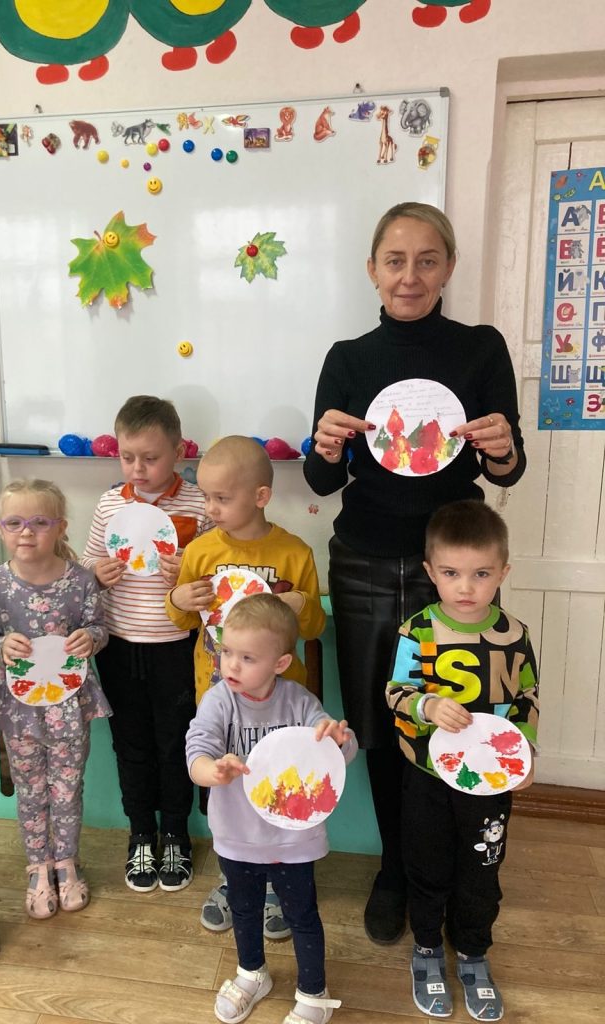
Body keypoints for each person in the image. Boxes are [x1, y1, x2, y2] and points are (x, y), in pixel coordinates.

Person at [303, 201, 526, 944]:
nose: (410, 276)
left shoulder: (481, 349)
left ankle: (446, 867)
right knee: (381, 716)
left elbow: (508, 469)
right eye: (395, 261)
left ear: (448, 268)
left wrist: (501, 447)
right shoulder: (348, 358)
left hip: (451, 565)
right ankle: (396, 869)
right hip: (364, 559)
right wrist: (325, 445)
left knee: (456, 708)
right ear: (372, 269)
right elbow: (322, 480)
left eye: (427, 260)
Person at [168, 434, 326, 939]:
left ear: (260, 496)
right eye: (206, 496)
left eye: (221, 497)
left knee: (277, 786)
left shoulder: (294, 552)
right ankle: (232, 877)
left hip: (281, 708)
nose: (210, 508)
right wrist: (179, 598)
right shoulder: (200, 550)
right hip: (218, 700)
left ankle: (280, 883)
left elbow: (314, 628)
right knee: (226, 792)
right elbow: (181, 620)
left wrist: (302, 607)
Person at [386, 500, 538, 1020]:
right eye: (451, 573)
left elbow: (527, 698)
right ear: (431, 572)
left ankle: (472, 950)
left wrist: (525, 754)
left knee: (481, 869)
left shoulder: (514, 634)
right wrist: (427, 705)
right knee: (426, 863)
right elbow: (396, 692)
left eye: (481, 574)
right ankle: (428, 946)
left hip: (490, 782)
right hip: (427, 776)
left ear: (503, 573)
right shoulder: (418, 631)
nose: (466, 587)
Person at [186, 594, 357, 1024]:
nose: (231, 665)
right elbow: (197, 751)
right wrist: (213, 771)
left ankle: (314, 991)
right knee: (243, 910)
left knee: (301, 914)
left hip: (292, 839)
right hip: (237, 836)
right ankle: (251, 973)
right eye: (226, 651)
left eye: (247, 658)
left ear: (280, 663)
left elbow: (335, 753)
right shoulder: (219, 700)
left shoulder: (299, 701)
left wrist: (338, 738)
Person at [80, 395, 212, 893]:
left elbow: (215, 573)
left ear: (178, 452)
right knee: (130, 743)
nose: (138, 468)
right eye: (127, 457)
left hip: (177, 645)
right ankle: (140, 833)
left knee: (176, 741)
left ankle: (175, 832)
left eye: (150, 458)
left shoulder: (199, 503)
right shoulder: (110, 503)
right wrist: (98, 572)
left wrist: (189, 571)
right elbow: (87, 565)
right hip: (118, 645)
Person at [0, 479, 110, 918]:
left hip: (69, 705)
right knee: (31, 789)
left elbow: (99, 628)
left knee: (67, 788)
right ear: (0, 529)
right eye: (14, 523)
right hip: (20, 710)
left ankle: (66, 862)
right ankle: (38, 867)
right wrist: (2, 644)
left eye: (39, 522)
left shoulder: (80, 581)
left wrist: (90, 638)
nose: (26, 532)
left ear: (60, 527)